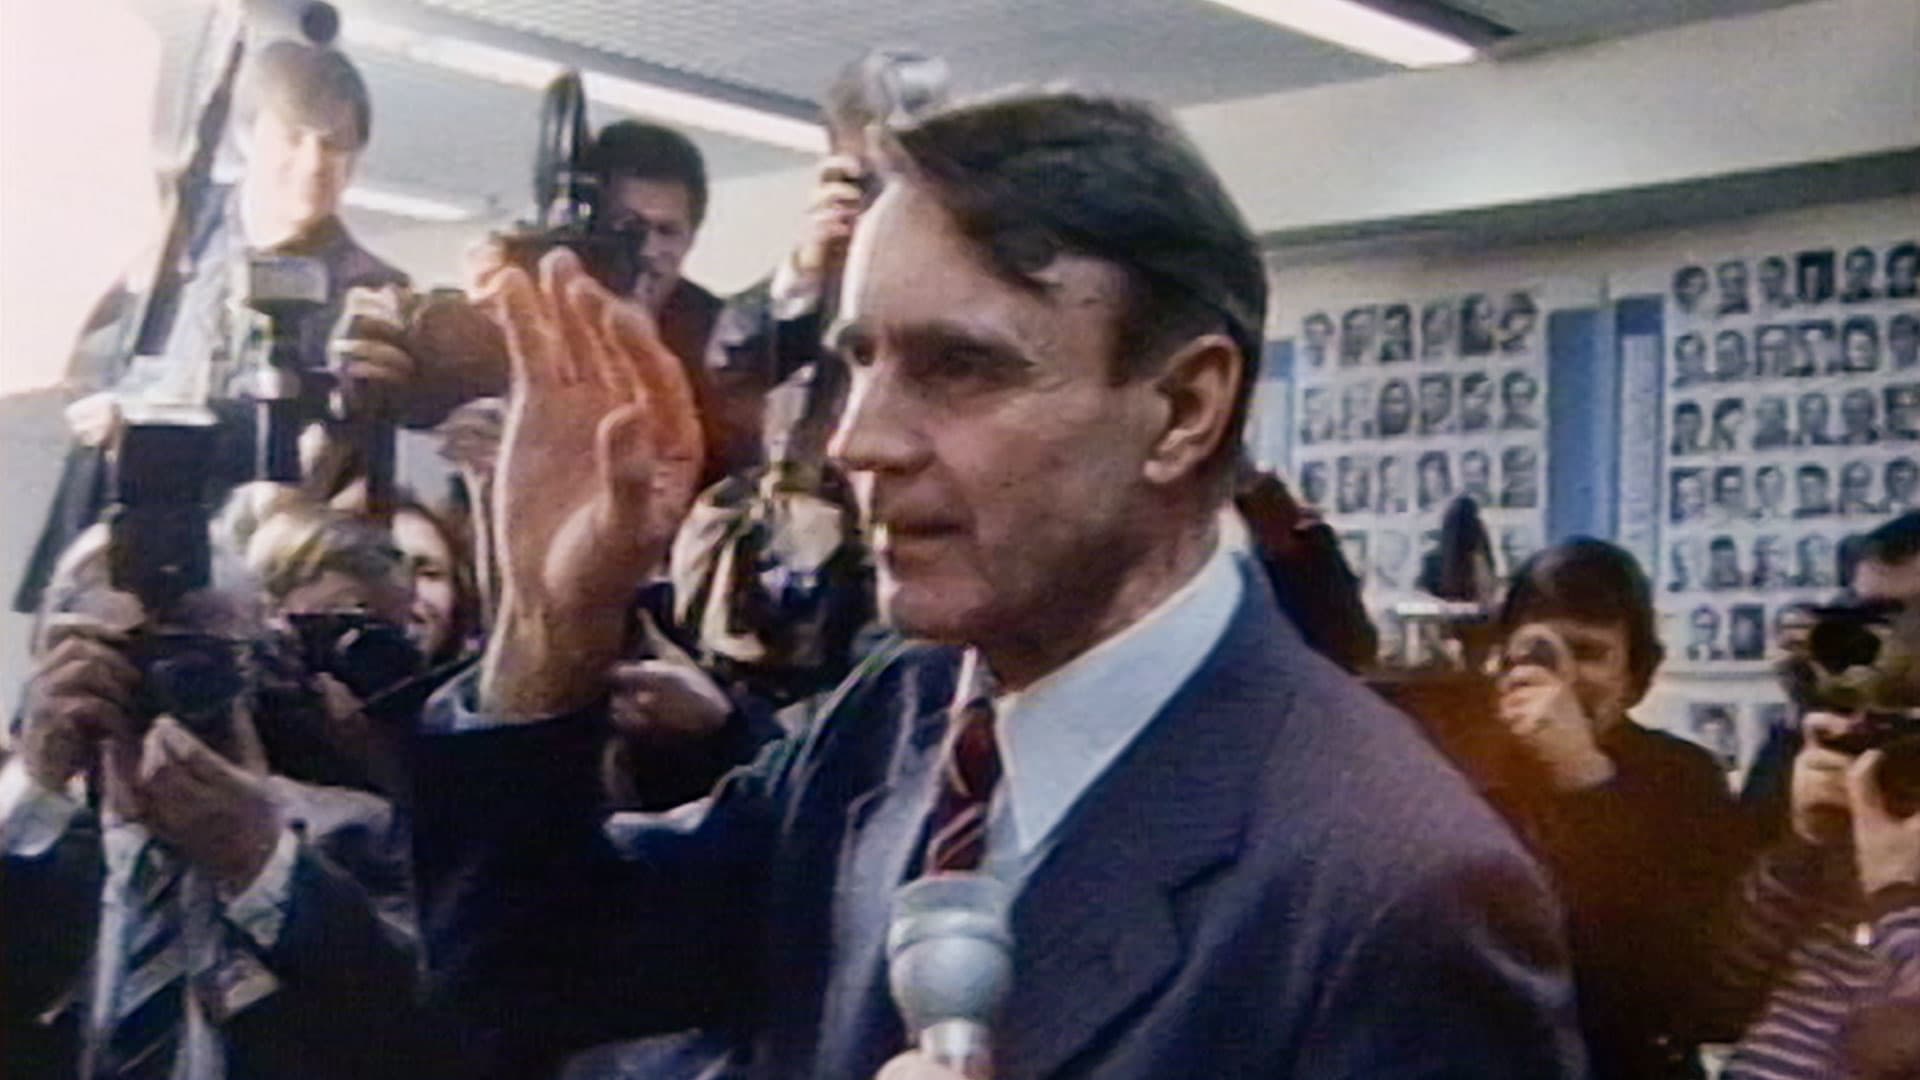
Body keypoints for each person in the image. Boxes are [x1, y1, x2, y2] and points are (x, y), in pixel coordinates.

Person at [410, 91, 1587, 1079]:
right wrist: (551, 624)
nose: (860, 441)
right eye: (860, 362)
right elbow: (528, 977)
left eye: (959, 368)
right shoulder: (897, 716)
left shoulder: (1396, 890)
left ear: (1184, 409)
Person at [0, 522, 462, 1079]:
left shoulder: (356, 834)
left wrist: (263, 863)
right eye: (134, 655)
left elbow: (424, 1036)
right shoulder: (31, 840)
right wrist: (35, 789)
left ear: (255, 660)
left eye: (195, 652)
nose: (164, 680)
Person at [14, 41, 412, 616]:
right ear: (248, 136)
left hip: (254, 565)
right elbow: (68, 328)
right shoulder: (162, 223)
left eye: (334, 145)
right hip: (103, 533)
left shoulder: (371, 292)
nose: (312, 164)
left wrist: (148, 424)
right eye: (292, 137)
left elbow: (326, 434)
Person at [1489, 540, 1749, 1078]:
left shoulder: (1684, 778)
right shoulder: (1467, 770)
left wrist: (1585, 780)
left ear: (1634, 675)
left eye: (1588, 653)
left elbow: (1682, 984)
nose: (1563, 679)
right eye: (1540, 653)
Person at [1713, 517, 1920, 1079]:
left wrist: (1896, 895)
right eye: (1872, 617)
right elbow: (1718, 999)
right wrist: (1801, 847)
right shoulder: (1846, 748)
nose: (1894, 646)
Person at [707, 49, 951, 478]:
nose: (892, 201)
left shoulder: (976, 273)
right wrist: (807, 270)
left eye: (905, 176)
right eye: (874, 178)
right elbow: (728, 373)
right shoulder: (825, 276)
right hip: (821, 502)